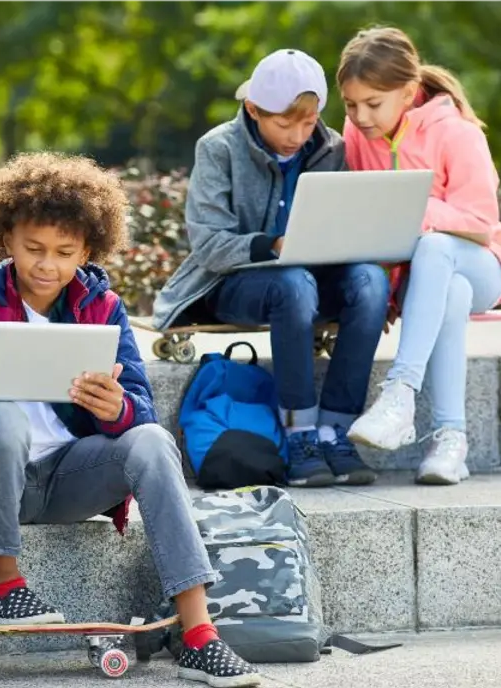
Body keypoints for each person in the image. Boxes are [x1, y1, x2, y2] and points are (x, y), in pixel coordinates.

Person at [0, 152, 263, 688]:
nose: (47, 265)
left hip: (66, 480)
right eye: (33, 249)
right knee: (4, 415)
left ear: (88, 250)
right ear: (5, 238)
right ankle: (2, 586)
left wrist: (116, 408)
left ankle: (199, 634)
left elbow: (141, 408)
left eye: (64, 252)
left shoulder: (103, 308)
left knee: (149, 438)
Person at [150, 48, 390, 488]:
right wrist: (274, 246)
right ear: (253, 108)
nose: (298, 135)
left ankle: (333, 430)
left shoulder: (333, 149)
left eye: (308, 121)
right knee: (293, 284)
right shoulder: (218, 148)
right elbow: (209, 245)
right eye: (284, 123)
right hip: (234, 284)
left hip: (312, 281)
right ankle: (299, 434)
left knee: (371, 281)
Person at [335, 26, 501, 485]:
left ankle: (400, 392)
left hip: (483, 263)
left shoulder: (455, 132)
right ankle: (450, 440)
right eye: (350, 104)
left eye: (373, 104)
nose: (360, 116)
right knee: (448, 295)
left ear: (409, 92)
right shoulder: (359, 134)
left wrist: (416, 207)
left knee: (438, 248)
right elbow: (365, 213)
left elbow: (480, 223)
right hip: (428, 278)